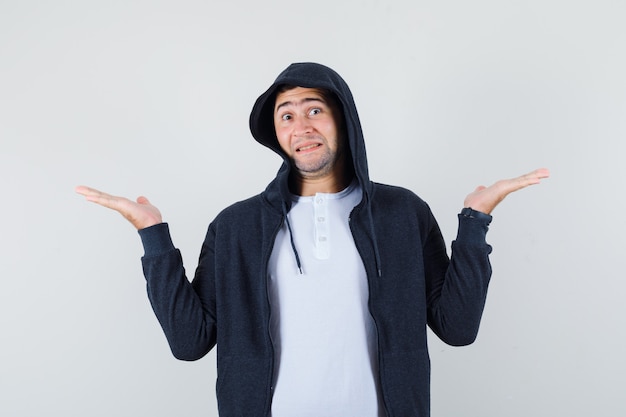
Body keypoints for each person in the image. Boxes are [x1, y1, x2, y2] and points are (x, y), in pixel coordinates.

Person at [76, 62, 549, 417]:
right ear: (276, 134)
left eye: (314, 110)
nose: (300, 127)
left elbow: (457, 327)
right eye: (286, 116)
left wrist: (475, 221)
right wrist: (152, 235)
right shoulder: (237, 226)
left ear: (343, 119)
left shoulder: (403, 213)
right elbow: (190, 341)